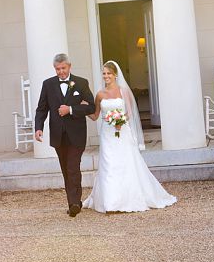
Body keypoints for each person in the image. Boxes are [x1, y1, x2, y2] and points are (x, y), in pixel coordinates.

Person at [82, 60, 177, 213]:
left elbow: (130, 112)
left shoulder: (123, 91)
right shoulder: (100, 94)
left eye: (109, 73)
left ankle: (127, 198)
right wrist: (83, 108)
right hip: (107, 134)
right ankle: (110, 203)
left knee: (126, 162)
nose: (106, 76)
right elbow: (95, 116)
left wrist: (120, 121)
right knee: (108, 164)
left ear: (115, 75)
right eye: (104, 73)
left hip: (122, 131)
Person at [34, 53, 96, 217]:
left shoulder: (81, 83)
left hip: (77, 134)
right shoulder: (48, 84)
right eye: (57, 69)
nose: (61, 71)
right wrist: (38, 127)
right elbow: (42, 108)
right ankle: (74, 201)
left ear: (69, 66)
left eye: (63, 68)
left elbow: (91, 107)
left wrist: (71, 109)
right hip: (58, 135)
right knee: (66, 169)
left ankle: (75, 203)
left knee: (72, 167)